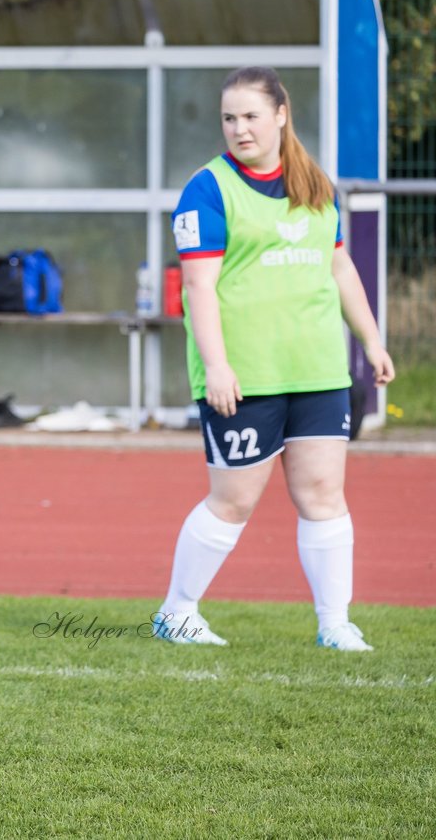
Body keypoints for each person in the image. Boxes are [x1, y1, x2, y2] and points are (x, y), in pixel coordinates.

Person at [154, 66, 395, 651]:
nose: (240, 129)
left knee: (323, 494)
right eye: (229, 118)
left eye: (251, 116)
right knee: (233, 500)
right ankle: (177, 611)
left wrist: (370, 340)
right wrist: (216, 365)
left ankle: (335, 623)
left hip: (317, 369)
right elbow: (198, 288)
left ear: (281, 115)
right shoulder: (207, 189)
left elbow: (340, 269)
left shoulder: (317, 185)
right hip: (244, 374)